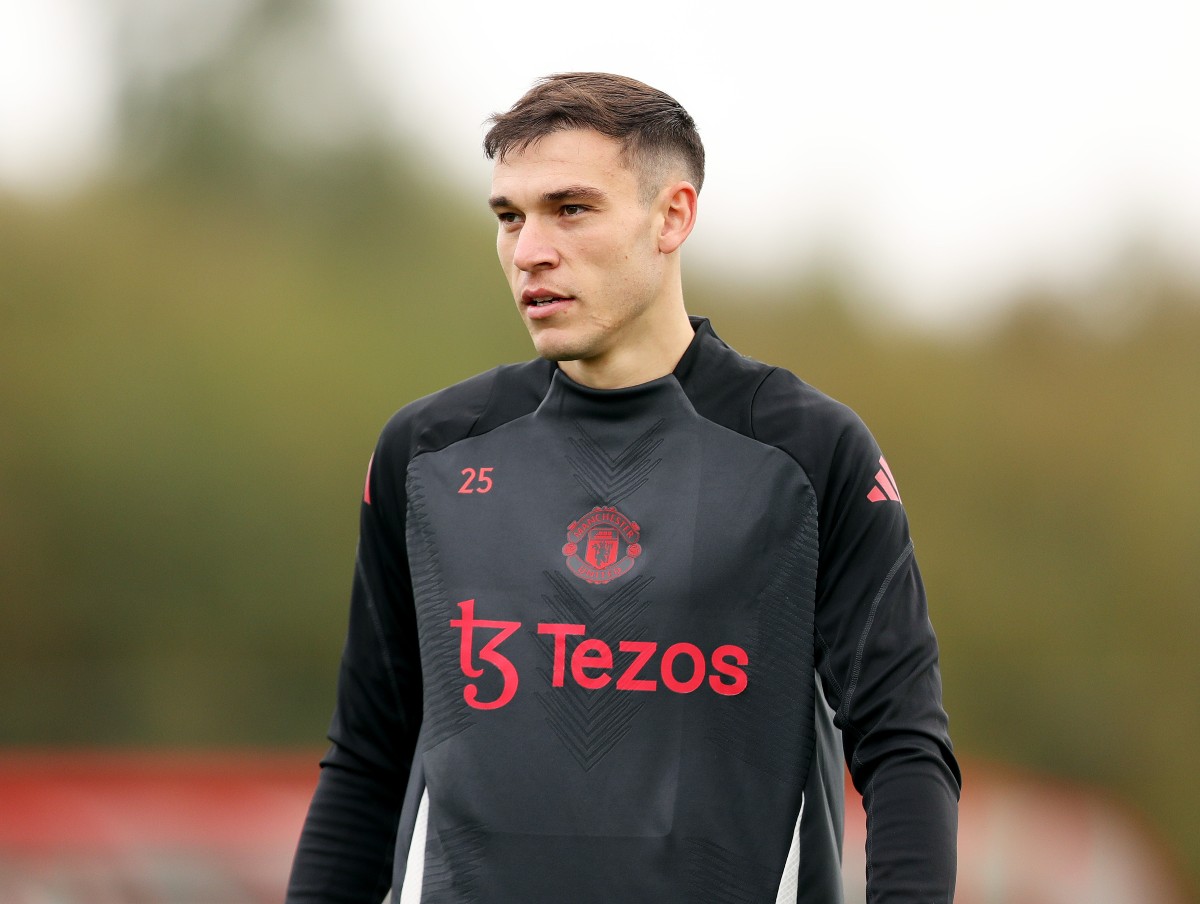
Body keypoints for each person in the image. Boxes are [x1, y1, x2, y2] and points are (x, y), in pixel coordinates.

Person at [286, 72, 960, 903]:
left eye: (570, 209)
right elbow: (366, 760)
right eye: (510, 216)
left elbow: (904, 752)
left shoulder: (807, 455)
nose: (530, 249)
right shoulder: (426, 454)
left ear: (671, 216)